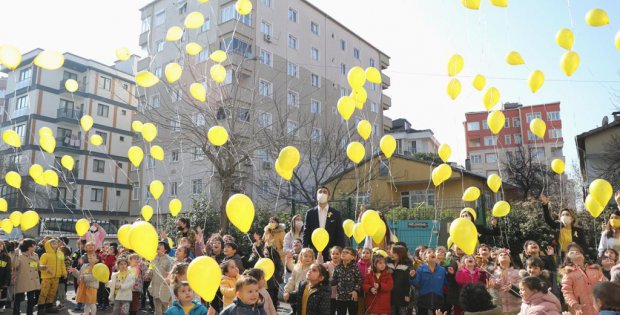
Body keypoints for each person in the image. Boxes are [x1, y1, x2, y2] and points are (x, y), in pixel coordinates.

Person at [560, 243, 607, 315]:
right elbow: (567, 292)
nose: (575, 252)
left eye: (578, 251)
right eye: (572, 252)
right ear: (568, 259)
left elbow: (606, 284)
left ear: (583, 256)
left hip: (601, 307)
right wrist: (574, 304)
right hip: (582, 309)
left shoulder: (595, 269)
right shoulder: (568, 274)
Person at [302, 186, 346, 259]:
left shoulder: (336, 213)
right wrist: (304, 249)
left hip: (331, 252)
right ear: (316, 196)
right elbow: (306, 232)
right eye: (320, 192)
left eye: (325, 192)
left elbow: (340, 233)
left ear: (329, 197)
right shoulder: (310, 213)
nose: (322, 193)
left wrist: (341, 251)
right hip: (313, 252)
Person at [540, 193, 586, 258]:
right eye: (562, 215)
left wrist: (577, 248)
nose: (564, 216)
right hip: (560, 256)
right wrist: (545, 204)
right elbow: (547, 219)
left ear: (572, 218)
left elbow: (584, 246)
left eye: (567, 215)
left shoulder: (578, 230)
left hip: (573, 256)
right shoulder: (557, 226)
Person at [410, 248, 450, 315]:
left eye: (433, 252)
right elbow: (416, 284)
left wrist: (450, 275)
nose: (432, 253)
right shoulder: (420, 269)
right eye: (429, 252)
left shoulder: (442, 270)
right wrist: (413, 277)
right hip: (423, 300)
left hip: (438, 300)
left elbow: (448, 283)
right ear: (425, 258)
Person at [38, 238, 67, 315]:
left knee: (52, 293)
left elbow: (62, 264)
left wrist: (64, 273)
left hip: (56, 277)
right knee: (44, 293)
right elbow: (40, 266)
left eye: (56, 242)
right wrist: (46, 270)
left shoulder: (60, 253)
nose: (55, 243)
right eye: (52, 243)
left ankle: (49, 307)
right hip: (46, 278)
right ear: (48, 245)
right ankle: (40, 309)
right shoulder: (45, 255)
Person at [284, 248, 316, 315]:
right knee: (295, 310)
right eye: (306, 256)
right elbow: (292, 280)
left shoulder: (312, 269)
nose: (308, 258)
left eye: (310, 256)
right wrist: (287, 291)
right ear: (301, 257)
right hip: (296, 294)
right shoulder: (296, 268)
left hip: (307, 295)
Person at [332, 247, 363, 315]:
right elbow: (334, 280)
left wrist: (355, 291)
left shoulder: (355, 267)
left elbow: (360, 279)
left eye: (347, 253)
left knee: (353, 312)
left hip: (352, 296)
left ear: (352, 257)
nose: (343, 254)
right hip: (340, 297)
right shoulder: (338, 267)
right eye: (343, 252)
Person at [13, 239, 40, 315]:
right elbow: (14, 266)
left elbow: (37, 267)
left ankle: (30, 313)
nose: (35, 246)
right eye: (34, 245)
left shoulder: (35, 255)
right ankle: (16, 313)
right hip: (22, 280)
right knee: (18, 299)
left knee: (31, 300)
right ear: (29, 246)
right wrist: (16, 255)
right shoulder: (20, 256)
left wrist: (44, 267)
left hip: (32, 281)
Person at [490, 249, 521, 315]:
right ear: (497, 261)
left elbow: (522, 285)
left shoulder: (517, 272)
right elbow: (491, 288)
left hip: (517, 308)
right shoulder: (493, 273)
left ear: (510, 260)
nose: (503, 255)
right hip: (501, 309)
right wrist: (495, 284)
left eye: (506, 254)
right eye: (501, 255)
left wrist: (512, 287)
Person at [149, 241, 175, 315]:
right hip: (155, 287)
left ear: (165, 249)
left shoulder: (169, 260)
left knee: (166, 310)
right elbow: (150, 268)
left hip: (165, 288)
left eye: (161, 245)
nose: (158, 246)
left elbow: (171, 273)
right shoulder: (153, 258)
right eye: (158, 244)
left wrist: (168, 274)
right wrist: (148, 273)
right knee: (158, 311)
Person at [387, 245, 412, 315]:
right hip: (389, 295)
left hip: (402, 295)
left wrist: (407, 294)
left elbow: (408, 282)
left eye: (394, 252)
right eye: (391, 252)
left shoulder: (407, 265)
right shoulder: (387, 263)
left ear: (400, 253)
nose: (391, 254)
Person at [323, 246, 342, 315]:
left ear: (341, 255)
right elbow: (319, 266)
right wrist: (319, 254)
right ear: (330, 255)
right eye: (333, 253)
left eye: (337, 253)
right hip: (331, 294)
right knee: (331, 311)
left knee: (341, 311)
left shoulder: (343, 265)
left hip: (341, 294)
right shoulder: (328, 264)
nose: (335, 255)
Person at [0, 240, 12, 312]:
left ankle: (1, 306)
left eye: (1, 245)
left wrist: (6, 282)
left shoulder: (6, 257)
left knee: (3, 294)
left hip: (2, 279)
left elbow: (8, 270)